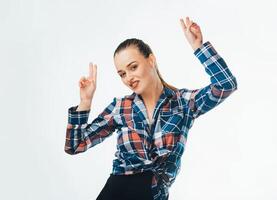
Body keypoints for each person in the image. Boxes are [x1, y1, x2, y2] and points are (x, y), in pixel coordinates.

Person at [64, 16, 238, 200]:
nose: (128, 77)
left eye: (133, 67)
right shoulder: (121, 107)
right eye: (122, 74)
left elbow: (226, 85)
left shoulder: (184, 103)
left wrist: (199, 47)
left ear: (151, 60)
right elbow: (75, 146)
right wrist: (85, 102)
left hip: (154, 193)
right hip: (116, 190)